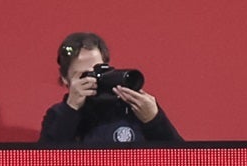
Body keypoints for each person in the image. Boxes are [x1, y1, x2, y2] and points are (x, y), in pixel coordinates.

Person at [39, 32, 182, 147]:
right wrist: (71, 110)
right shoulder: (58, 115)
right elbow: (43, 165)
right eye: (84, 75)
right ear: (65, 79)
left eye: (98, 70)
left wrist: (154, 120)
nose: (93, 78)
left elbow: (183, 160)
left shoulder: (134, 107)